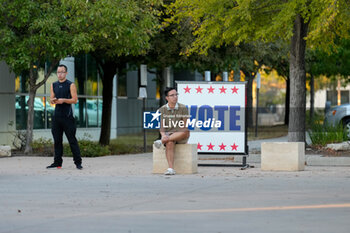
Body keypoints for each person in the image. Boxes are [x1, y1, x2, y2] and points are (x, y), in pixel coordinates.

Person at [46, 64, 83, 170]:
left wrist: (64, 100)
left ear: (66, 73)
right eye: (58, 72)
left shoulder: (71, 85)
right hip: (57, 117)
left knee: (72, 140)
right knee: (57, 141)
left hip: (68, 117)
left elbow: (74, 100)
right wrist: (54, 100)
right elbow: (51, 99)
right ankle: (57, 163)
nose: (60, 74)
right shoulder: (53, 85)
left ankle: (78, 162)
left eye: (62, 72)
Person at [154, 87, 190, 175]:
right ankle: (170, 169)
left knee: (185, 130)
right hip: (169, 135)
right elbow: (162, 126)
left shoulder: (183, 108)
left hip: (181, 134)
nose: (175, 97)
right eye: (172, 95)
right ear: (167, 98)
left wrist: (171, 133)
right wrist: (163, 135)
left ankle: (161, 141)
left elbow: (185, 125)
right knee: (169, 142)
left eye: (176, 94)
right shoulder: (163, 109)